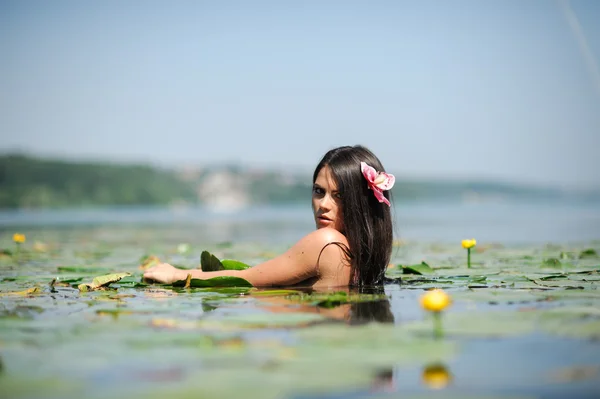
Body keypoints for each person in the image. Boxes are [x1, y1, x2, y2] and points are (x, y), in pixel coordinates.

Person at [143, 145, 395, 288]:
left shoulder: (326, 242)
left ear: (361, 203)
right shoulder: (359, 258)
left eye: (338, 196)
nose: (323, 205)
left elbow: (245, 279)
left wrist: (177, 274)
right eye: (319, 191)